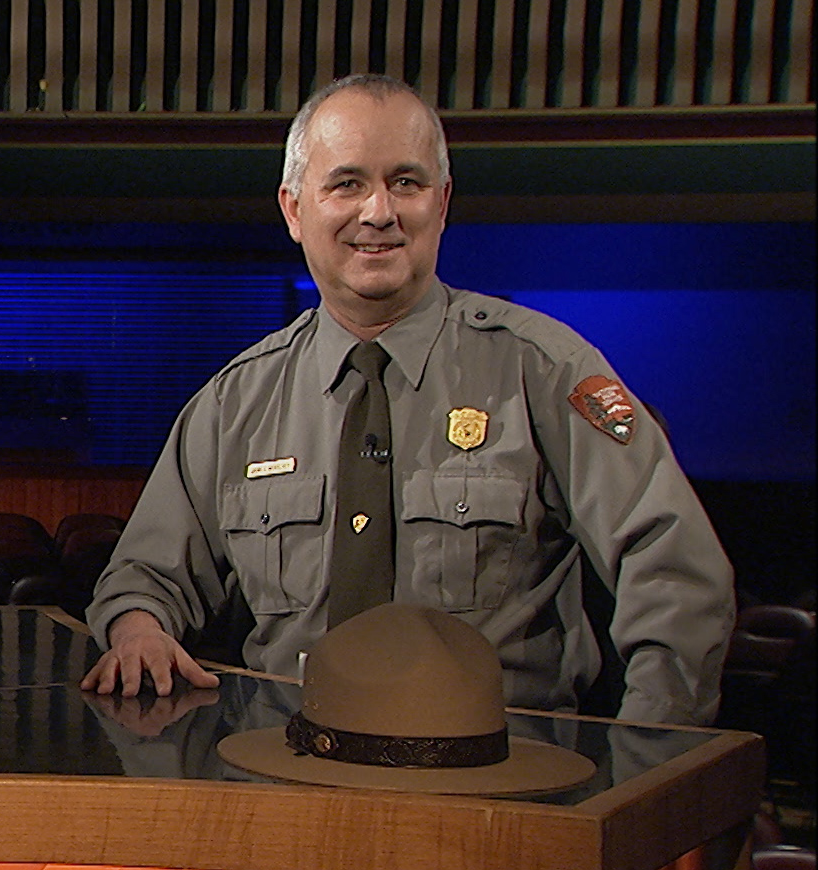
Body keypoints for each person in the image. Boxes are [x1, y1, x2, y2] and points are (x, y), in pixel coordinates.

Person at [81, 74, 733, 727]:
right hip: (282, 762)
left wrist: (650, 750)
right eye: (346, 184)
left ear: (442, 203)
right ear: (294, 210)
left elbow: (675, 569)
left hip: (498, 773)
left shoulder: (543, 369)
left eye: (406, 182)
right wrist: (138, 630)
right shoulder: (234, 403)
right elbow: (143, 575)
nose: (378, 212)